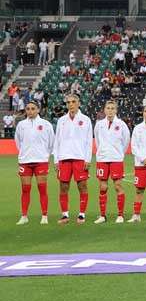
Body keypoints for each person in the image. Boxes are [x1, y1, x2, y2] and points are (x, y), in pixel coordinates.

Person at [53, 94, 93, 224]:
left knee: (82, 186)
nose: (71, 104)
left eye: (73, 102)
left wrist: (88, 159)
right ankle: (65, 215)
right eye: (68, 102)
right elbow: (57, 141)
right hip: (64, 158)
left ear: (79, 103)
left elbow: (89, 141)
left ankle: (82, 214)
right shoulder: (61, 120)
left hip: (80, 157)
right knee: (63, 187)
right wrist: (56, 160)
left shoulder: (85, 119)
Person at [14, 101, 54, 225]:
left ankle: (44, 216)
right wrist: (24, 154)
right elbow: (18, 142)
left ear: (38, 110)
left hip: (41, 161)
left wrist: (44, 155)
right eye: (28, 109)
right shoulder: (21, 125)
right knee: (25, 189)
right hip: (25, 161)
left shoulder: (46, 124)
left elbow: (51, 143)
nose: (30, 111)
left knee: (42, 189)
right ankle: (24, 216)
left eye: (33, 108)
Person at [92, 100, 130, 224]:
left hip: (116, 159)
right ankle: (102, 216)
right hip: (102, 159)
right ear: (104, 110)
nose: (110, 110)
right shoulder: (99, 125)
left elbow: (126, 141)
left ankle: (120, 215)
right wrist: (101, 152)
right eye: (108, 108)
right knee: (103, 187)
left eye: (112, 108)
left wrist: (119, 153)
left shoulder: (122, 124)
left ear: (116, 110)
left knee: (118, 186)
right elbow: (97, 141)